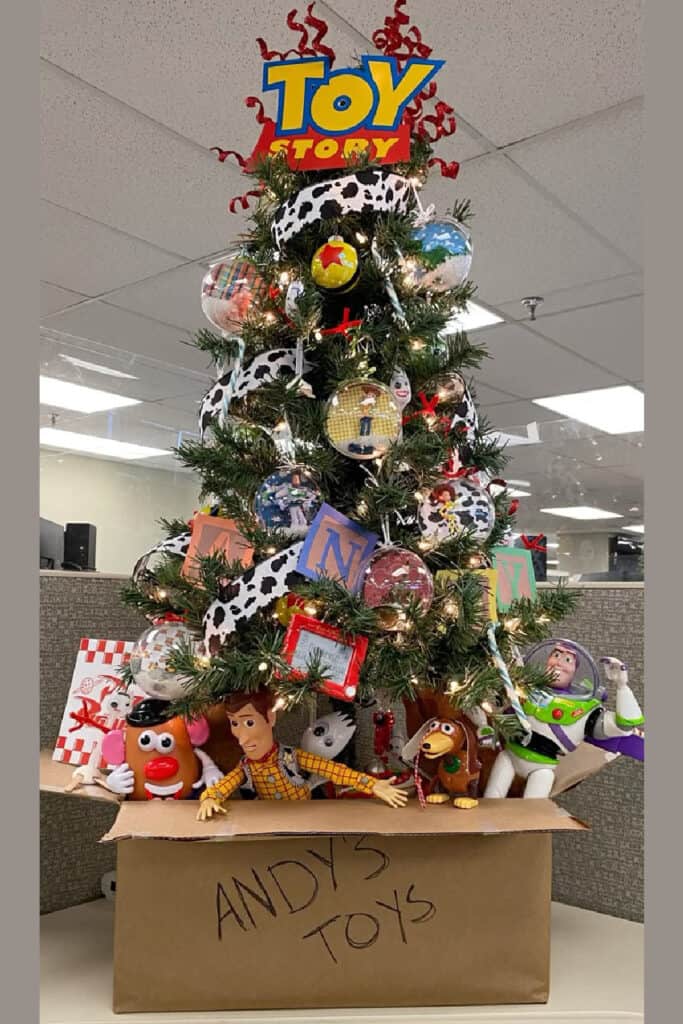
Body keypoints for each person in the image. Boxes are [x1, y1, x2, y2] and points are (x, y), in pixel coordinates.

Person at [197, 690, 408, 819]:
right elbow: (224, 785)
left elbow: (333, 770)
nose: (241, 737)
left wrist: (372, 784)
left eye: (249, 722)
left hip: (305, 818)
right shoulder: (245, 767)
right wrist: (210, 798)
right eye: (235, 723)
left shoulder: (291, 756)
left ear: (270, 718)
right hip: (269, 822)